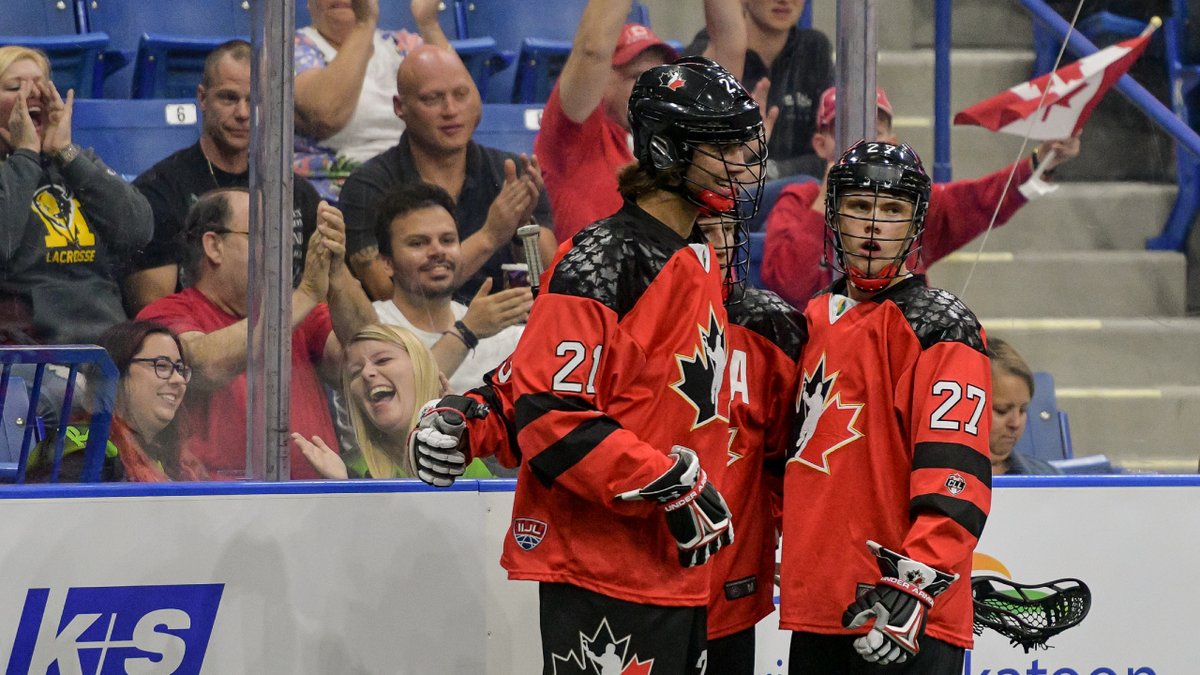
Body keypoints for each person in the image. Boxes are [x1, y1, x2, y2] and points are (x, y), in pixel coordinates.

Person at [409, 57, 767, 672]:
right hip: (605, 571)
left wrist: (478, 409)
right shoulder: (602, 259)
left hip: (673, 569)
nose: (741, 164)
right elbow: (551, 412)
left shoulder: (696, 255)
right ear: (667, 149)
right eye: (721, 147)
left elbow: (547, 377)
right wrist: (669, 481)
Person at [777, 141, 992, 673]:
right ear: (833, 214)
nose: (873, 225)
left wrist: (913, 589)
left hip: (903, 615)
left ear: (916, 222)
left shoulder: (942, 325)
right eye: (859, 206)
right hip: (821, 610)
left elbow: (957, 477)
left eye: (892, 209)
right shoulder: (814, 318)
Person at [761, 85, 1081, 308]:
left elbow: (980, 200)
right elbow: (788, 285)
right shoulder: (798, 200)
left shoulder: (911, 203)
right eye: (845, 129)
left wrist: (1040, 160)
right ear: (820, 145)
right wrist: (824, 203)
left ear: (892, 142)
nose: (862, 142)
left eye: (876, 130)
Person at [138, 188, 377, 479]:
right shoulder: (166, 314)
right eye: (265, 235)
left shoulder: (302, 315)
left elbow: (367, 352)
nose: (283, 249)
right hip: (216, 506)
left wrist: (337, 271)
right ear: (214, 246)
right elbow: (203, 365)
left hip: (318, 500)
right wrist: (305, 294)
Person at [340, 45, 556, 301]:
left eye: (462, 94)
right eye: (432, 99)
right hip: (415, 336)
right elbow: (387, 293)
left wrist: (523, 226)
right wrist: (489, 236)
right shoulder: (368, 187)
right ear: (400, 108)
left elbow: (550, 279)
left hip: (508, 328)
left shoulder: (511, 173)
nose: (451, 110)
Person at [126, 40, 324, 316]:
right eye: (229, 98)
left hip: (287, 345)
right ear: (203, 99)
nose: (243, 114)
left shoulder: (295, 192)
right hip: (198, 346)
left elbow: (326, 301)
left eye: (255, 101)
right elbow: (154, 317)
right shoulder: (159, 190)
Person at [535, 0, 748, 242]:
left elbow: (730, 46)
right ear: (603, 82)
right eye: (637, 76)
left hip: (679, 275)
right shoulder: (572, 138)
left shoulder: (680, 140)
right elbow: (593, 50)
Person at [0, 46, 153, 345]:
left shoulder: (75, 162)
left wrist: (66, 154)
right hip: (30, 349)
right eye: (15, 87)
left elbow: (138, 231)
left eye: (41, 84)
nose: (33, 94)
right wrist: (26, 155)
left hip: (107, 339)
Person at [370, 182, 530, 396]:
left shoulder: (495, 327)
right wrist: (467, 332)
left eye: (447, 240)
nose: (437, 251)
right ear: (387, 263)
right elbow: (400, 400)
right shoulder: (372, 327)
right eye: (418, 243)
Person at [294, 0, 451, 201]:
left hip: (413, 189)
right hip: (338, 198)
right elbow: (326, 113)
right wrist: (364, 23)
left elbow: (462, 105)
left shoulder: (402, 45)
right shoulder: (293, 48)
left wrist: (429, 25)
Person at [291, 323, 493, 479]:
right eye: (354, 372)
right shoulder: (348, 471)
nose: (367, 373)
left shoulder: (470, 457)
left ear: (422, 372)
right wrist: (343, 490)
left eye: (383, 360)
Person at [27, 321, 209, 482]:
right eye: (162, 366)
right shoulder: (82, 456)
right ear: (116, 373)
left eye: (180, 369)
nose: (178, 380)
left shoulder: (177, 461)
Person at [685, 0, 834, 179]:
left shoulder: (815, 48)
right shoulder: (713, 52)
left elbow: (831, 153)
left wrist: (768, 171)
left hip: (800, 193)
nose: (785, 1)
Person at [987, 338, 1062, 476]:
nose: (1015, 423)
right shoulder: (938, 478)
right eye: (1001, 411)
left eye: (1023, 410)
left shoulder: (1048, 478)